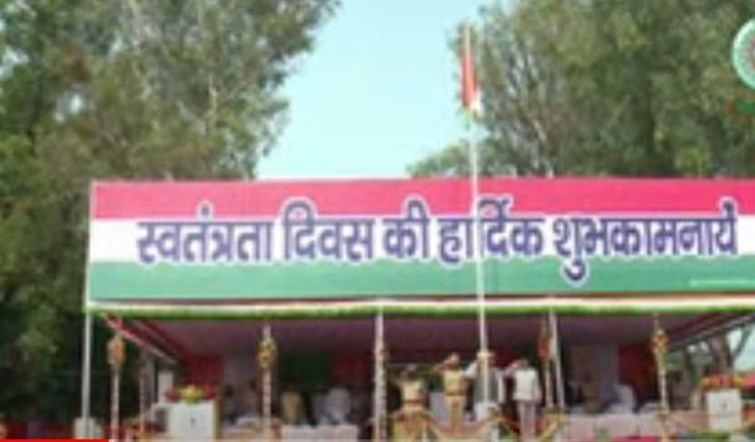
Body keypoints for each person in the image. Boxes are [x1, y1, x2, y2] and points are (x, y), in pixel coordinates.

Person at [464, 350, 505, 421]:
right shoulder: (476, 370)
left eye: (492, 359)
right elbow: (467, 374)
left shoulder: (496, 371)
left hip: (493, 401)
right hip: (480, 401)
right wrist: (476, 363)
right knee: (481, 422)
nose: (491, 360)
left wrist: (500, 401)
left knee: (493, 423)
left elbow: (500, 387)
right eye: (489, 359)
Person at [433, 353, 467, 428]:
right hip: (449, 396)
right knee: (451, 417)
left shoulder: (461, 372)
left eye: (456, 360)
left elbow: (465, 384)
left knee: (460, 418)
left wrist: (464, 395)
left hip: (460, 396)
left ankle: (459, 435)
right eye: (453, 360)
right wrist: (444, 363)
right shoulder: (445, 371)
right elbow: (434, 370)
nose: (455, 362)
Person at [511, 359, 541, 442]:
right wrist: (515, 365)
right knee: (522, 418)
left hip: (531, 397)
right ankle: (524, 436)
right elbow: (507, 373)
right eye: (523, 363)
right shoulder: (517, 372)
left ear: (528, 364)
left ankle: (532, 436)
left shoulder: (533, 372)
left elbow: (536, 384)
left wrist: (538, 396)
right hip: (520, 397)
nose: (524, 364)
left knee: (531, 418)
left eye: (526, 363)